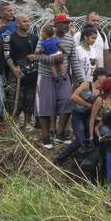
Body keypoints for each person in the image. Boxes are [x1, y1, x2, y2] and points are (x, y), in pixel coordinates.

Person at [34, 14, 85, 149]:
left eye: (67, 23)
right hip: (46, 75)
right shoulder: (45, 36)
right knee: (45, 106)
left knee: (67, 102)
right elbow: (37, 56)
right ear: (56, 25)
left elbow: (74, 60)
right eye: (63, 23)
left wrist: (80, 80)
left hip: (62, 76)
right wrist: (52, 60)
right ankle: (45, 137)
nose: (66, 25)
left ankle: (60, 133)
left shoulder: (69, 39)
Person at [54, 68, 111, 165]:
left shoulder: (102, 90)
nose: (107, 79)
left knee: (89, 140)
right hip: (78, 116)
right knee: (80, 140)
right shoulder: (87, 84)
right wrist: (88, 105)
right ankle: (60, 159)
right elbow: (74, 97)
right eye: (106, 76)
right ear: (99, 77)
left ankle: (79, 157)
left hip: (89, 118)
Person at [3, 14, 39, 130]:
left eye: (28, 21)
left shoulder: (34, 37)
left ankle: (28, 123)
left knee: (30, 98)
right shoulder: (10, 38)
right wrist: (13, 68)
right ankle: (16, 122)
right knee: (16, 98)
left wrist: (35, 56)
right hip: (16, 74)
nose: (28, 23)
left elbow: (39, 53)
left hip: (31, 73)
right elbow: (7, 55)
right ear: (17, 24)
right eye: (24, 21)